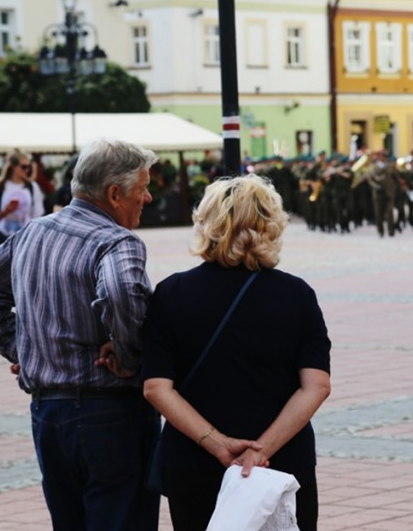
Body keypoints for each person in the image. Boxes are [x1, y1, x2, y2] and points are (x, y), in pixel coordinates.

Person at [0, 139, 163, 531]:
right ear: (114, 194)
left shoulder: (33, 232)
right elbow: (120, 291)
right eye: (142, 188)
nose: (148, 198)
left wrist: (27, 349)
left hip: (48, 414)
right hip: (111, 412)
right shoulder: (117, 240)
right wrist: (128, 354)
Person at [142, 175, 331, 531]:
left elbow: (156, 387)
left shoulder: (172, 293)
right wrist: (261, 450)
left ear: (207, 224)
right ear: (272, 225)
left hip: (195, 460)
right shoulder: (297, 295)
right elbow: (317, 386)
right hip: (281, 462)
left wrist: (218, 444)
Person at [0, 151, 45, 250]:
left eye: (29, 167)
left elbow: (37, 216)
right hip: (1, 237)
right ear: (13, 167)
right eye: (24, 167)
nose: (27, 170)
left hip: (26, 238)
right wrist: (6, 211)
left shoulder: (32, 187)